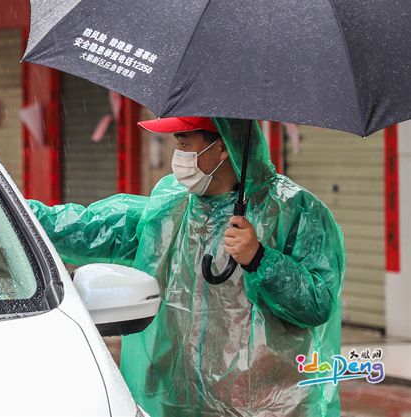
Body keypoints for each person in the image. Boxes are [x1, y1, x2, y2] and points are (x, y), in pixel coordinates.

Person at [28, 116, 345, 417]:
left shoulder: (295, 212)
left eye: (184, 143)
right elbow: (93, 228)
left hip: (264, 405)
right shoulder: (171, 206)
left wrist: (261, 259)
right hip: (178, 402)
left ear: (222, 147)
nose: (177, 155)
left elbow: (318, 303)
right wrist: (16, 215)